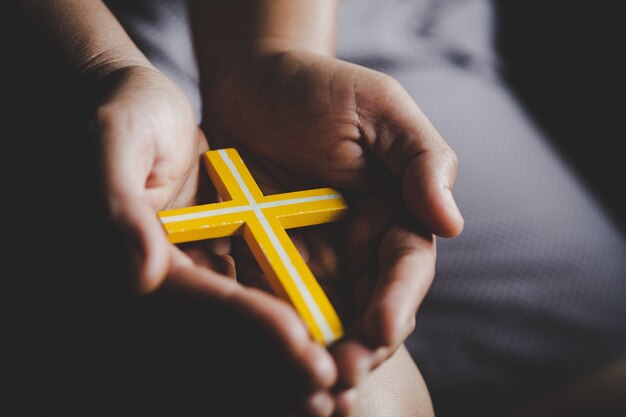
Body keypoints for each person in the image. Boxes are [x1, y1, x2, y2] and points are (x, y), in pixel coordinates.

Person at [14, 1, 626, 417]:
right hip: (69, 46)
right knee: (356, 402)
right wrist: (100, 70)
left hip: (359, 33)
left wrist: (271, 55)